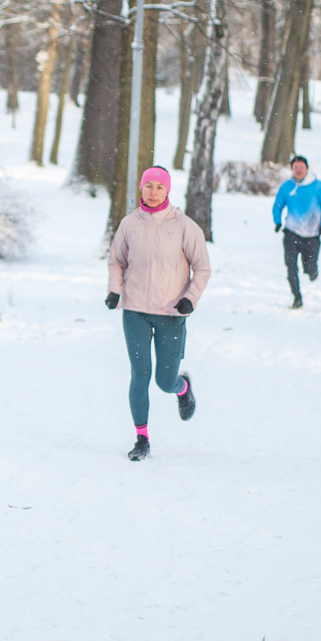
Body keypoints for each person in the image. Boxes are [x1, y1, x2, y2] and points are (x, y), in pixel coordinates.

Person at [106, 167, 211, 462]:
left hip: (171, 312)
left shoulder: (184, 226)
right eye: (148, 186)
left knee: (164, 382)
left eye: (159, 187)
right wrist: (114, 290)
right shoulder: (129, 224)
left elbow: (202, 268)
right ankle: (142, 438)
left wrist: (190, 298)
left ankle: (182, 386)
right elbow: (116, 261)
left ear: (168, 191)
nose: (153, 192)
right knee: (140, 375)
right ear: (141, 188)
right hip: (135, 311)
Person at [272, 155, 321, 309]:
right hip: (291, 232)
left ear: (307, 168)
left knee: (309, 267)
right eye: (295, 167)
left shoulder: (318, 187)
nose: (298, 170)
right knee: (291, 266)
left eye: (301, 167)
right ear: (292, 169)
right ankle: (297, 297)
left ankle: (312, 271)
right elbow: (278, 205)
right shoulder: (287, 187)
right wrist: (277, 221)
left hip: (312, 235)